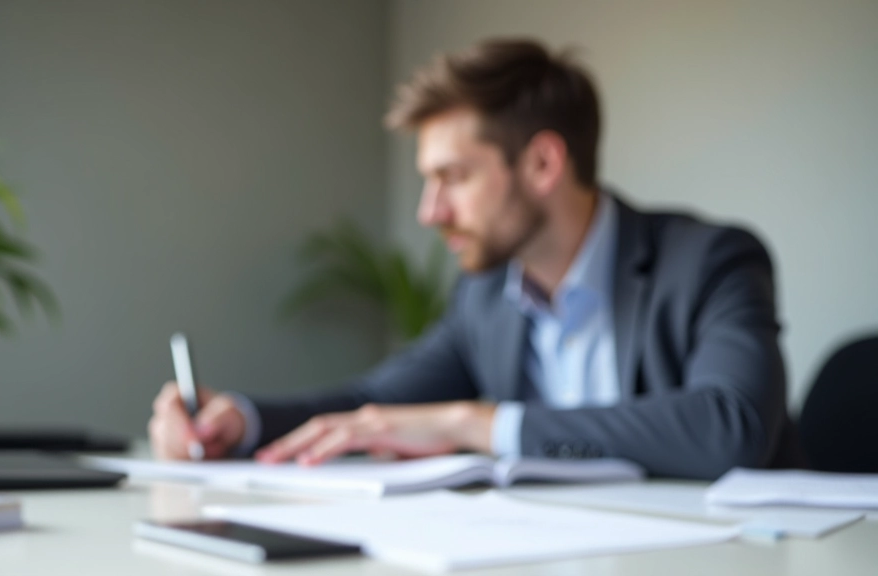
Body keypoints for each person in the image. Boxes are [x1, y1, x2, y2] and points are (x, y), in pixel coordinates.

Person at [148, 38, 800, 479]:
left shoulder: (708, 262)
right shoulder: (488, 297)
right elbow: (376, 403)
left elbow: (731, 425)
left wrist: (478, 425)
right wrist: (242, 420)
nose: (429, 212)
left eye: (453, 178)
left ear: (543, 163)